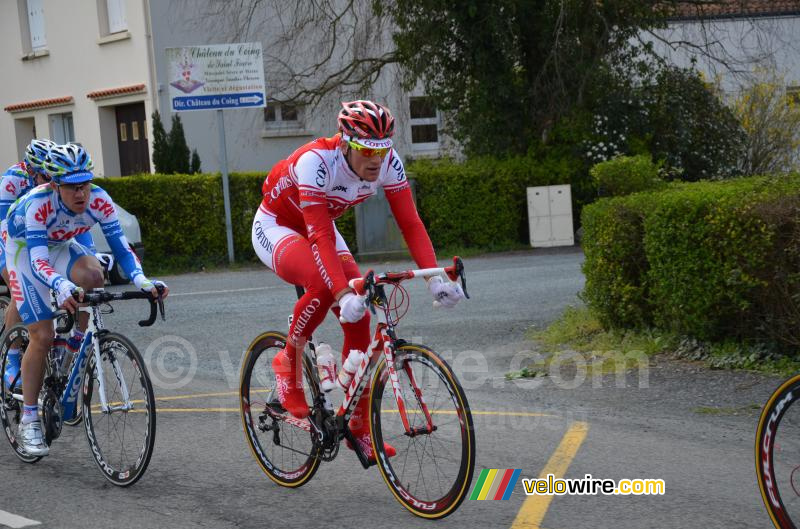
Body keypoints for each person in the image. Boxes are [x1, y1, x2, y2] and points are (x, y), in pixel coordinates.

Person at [252, 100, 465, 461]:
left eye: (381, 152)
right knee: (323, 286)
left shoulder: (387, 164)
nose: (375, 161)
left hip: (320, 228)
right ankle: (286, 364)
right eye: (366, 151)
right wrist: (340, 292)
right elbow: (318, 234)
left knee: (362, 316)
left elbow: (410, 223)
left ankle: (357, 424)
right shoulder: (316, 161)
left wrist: (434, 279)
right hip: (279, 225)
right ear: (346, 143)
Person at [5, 143, 168, 456]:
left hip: (60, 245)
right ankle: (28, 420)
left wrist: (143, 281)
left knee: (94, 276)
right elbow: (39, 261)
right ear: (54, 185)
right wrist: (62, 286)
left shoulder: (99, 199)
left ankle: (72, 346)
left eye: (84, 185)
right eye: (71, 187)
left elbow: (122, 249)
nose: (81, 194)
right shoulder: (38, 204)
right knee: (42, 334)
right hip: (25, 251)